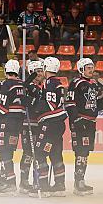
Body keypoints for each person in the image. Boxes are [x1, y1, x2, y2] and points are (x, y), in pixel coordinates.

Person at [66, 58, 103, 195]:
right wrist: (76, 119)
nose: (92, 70)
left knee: (85, 152)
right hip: (80, 122)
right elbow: (69, 103)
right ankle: (78, 182)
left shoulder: (93, 84)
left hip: (90, 122)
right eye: (88, 68)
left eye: (92, 67)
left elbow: (94, 107)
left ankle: (81, 180)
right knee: (80, 152)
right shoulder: (76, 83)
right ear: (81, 69)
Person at [0, 59, 25, 194]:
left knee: (4, 151)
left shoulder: (5, 84)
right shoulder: (22, 84)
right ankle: (6, 178)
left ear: (6, 71)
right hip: (18, 123)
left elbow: (2, 108)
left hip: (6, 123)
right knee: (9, 150)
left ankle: (10, 182)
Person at [33, 57, 68, 196]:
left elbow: (50, 104)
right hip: (58, 124)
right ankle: (60, 186)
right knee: (55, 154)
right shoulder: (59, 83)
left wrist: (33, 104)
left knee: (40, 153)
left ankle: (43, 187)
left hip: (49, 124)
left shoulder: (49, 82)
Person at [21, 60, 45, 194]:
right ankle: (24, 181)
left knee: (39, 154)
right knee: (28, 153)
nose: (40, 74)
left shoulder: (44, 87)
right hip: (28, 123)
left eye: (41, 71)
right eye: (37, 72)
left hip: (40, 123)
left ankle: (37, 181)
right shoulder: (28, 87)